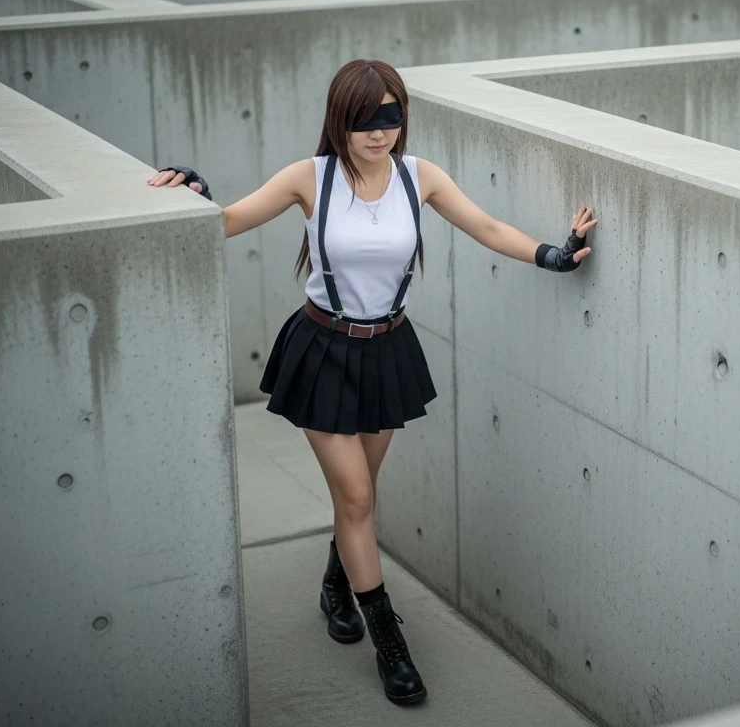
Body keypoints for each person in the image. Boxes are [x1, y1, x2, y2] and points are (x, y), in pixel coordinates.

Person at [146, 58, 596, 706]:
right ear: (341, 121)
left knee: (360, 493)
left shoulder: (420, 178)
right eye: (366, 121)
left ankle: (336, 586)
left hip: (388, 349)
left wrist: (554, 255)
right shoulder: (312, 178)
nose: (380, 133)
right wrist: (190, 187)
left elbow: (490, 228)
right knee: (356, 498)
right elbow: (227, 221)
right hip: (322, 348)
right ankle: (392, 646)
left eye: (392, 117)